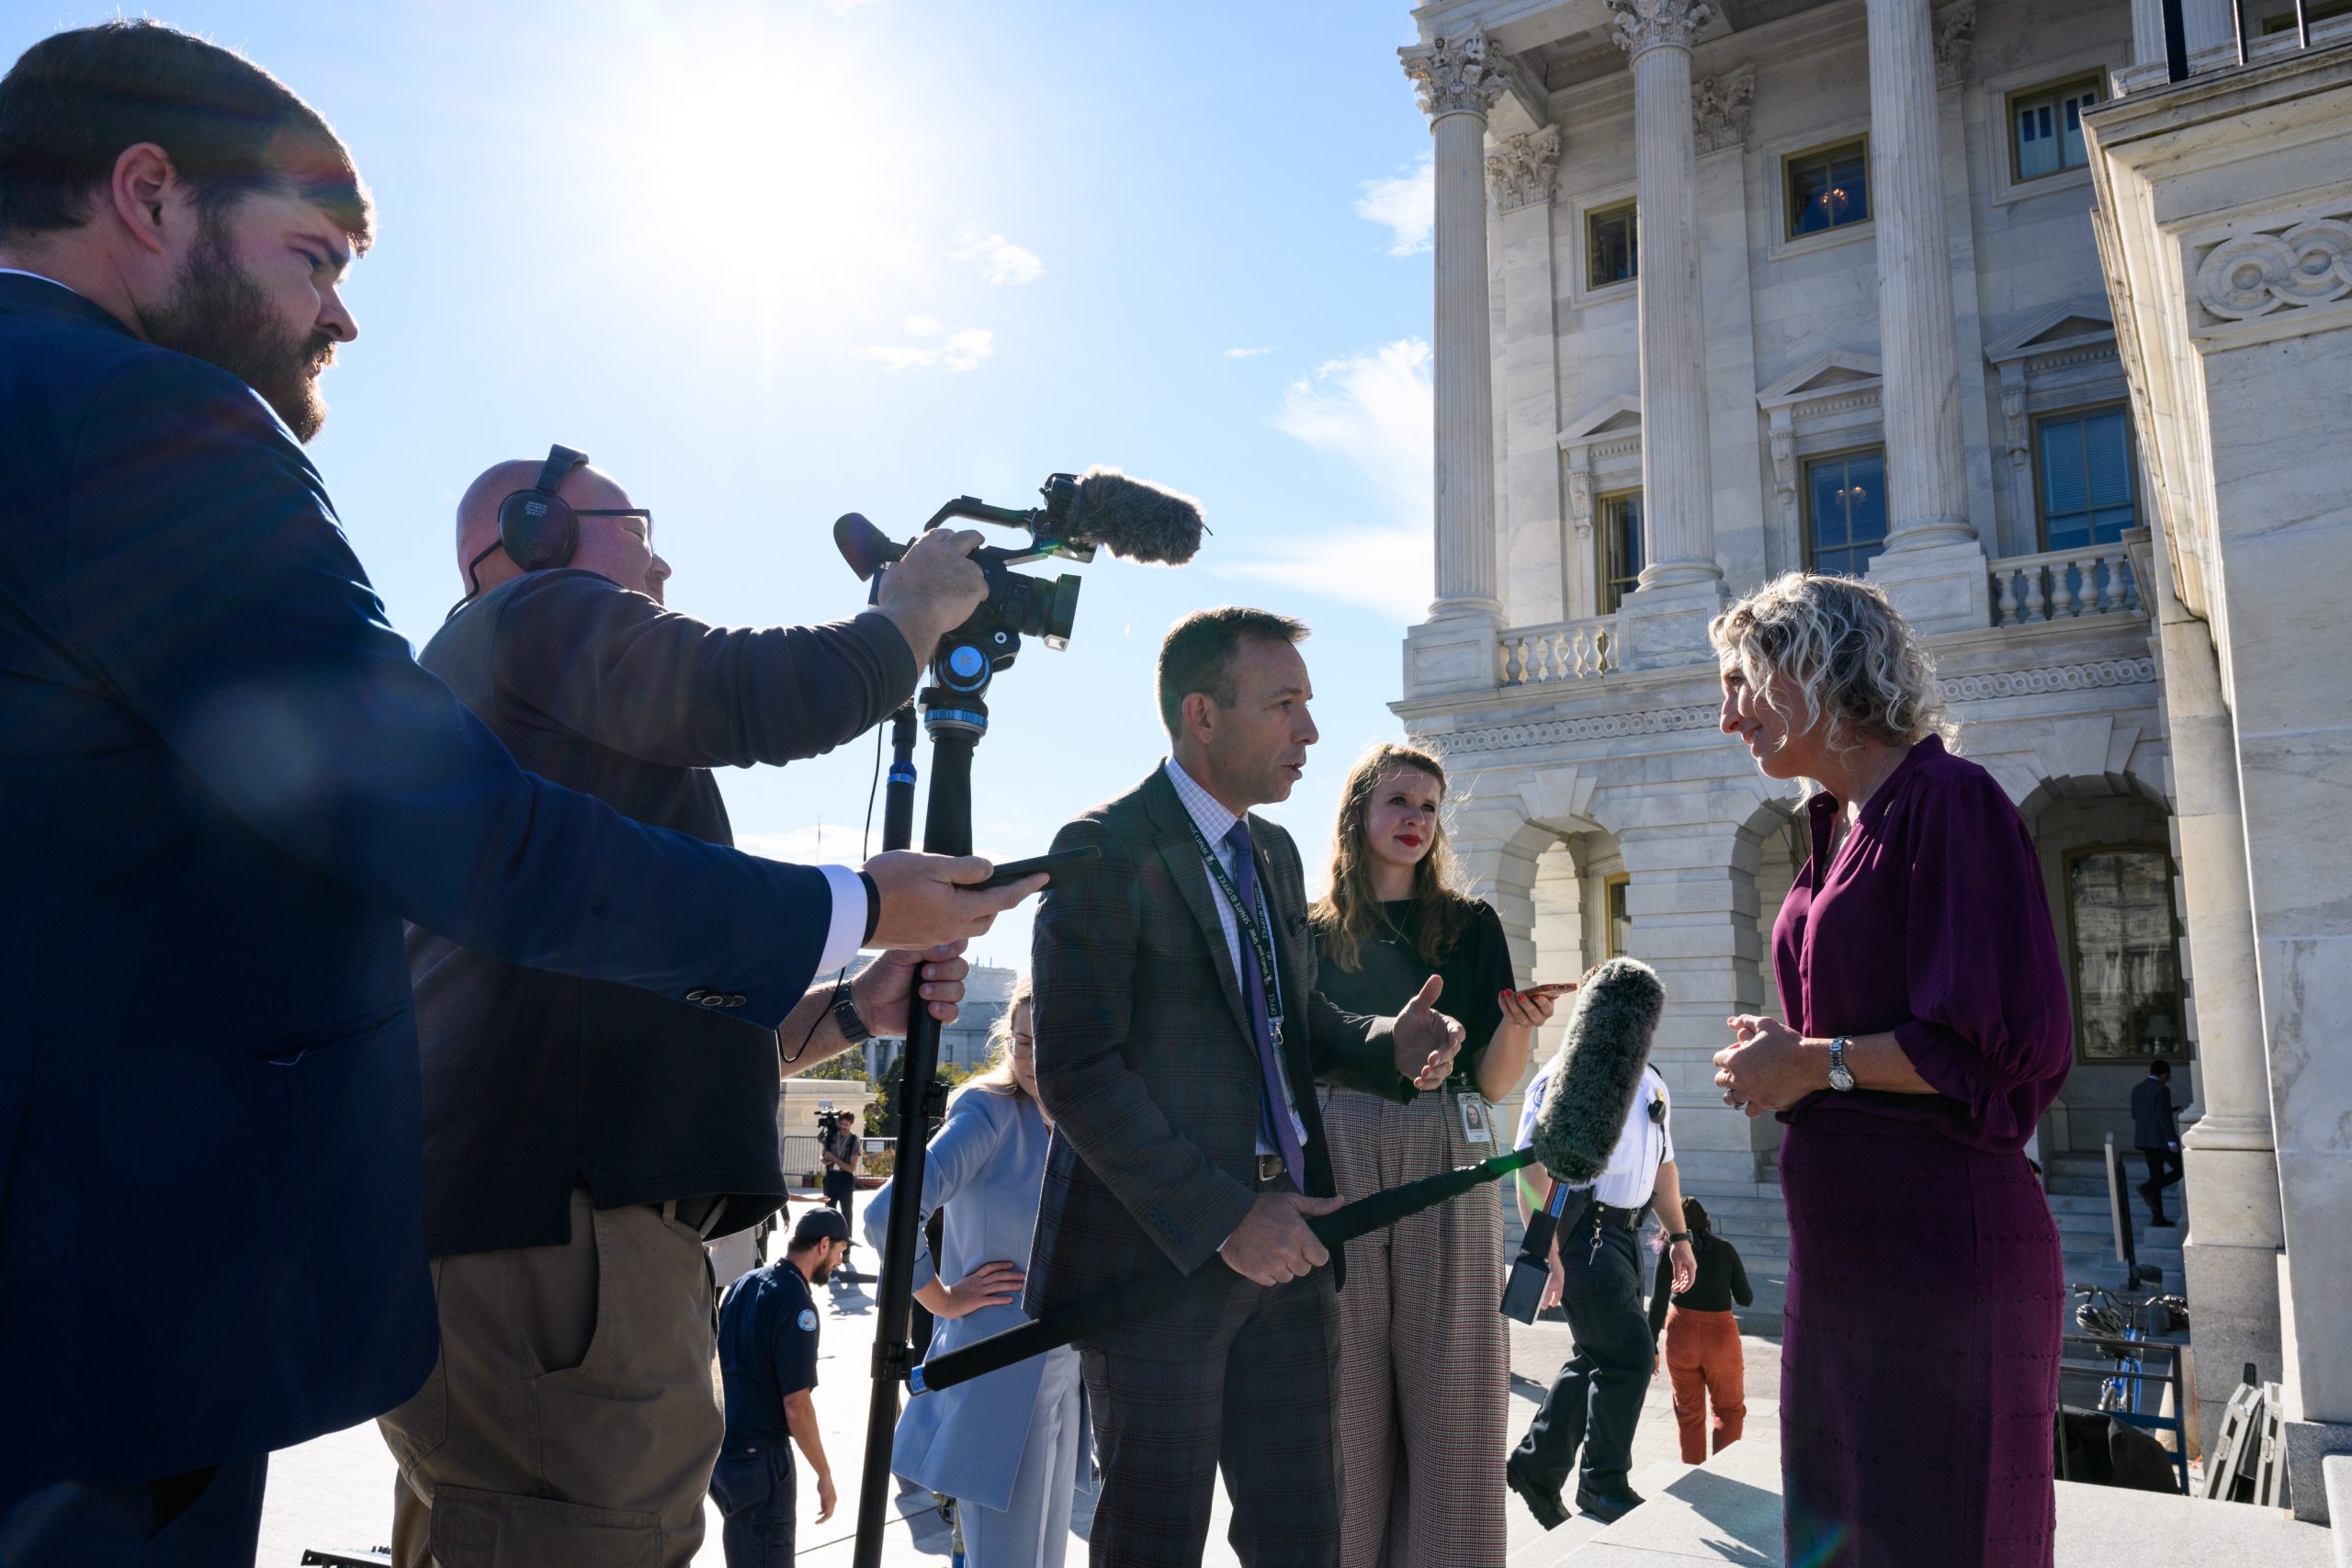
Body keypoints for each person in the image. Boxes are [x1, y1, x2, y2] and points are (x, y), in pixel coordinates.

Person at [0, 22, 1033, 1560]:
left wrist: (833, 994)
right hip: (98, 1309)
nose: (340, 312)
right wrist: (898, 676)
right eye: (313, 254)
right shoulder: (142, 417)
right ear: (148, 194)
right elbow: (477, 838)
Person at [376, 454, 992, 1564]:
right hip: (561, 1251)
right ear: (536, 532)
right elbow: (752, 690)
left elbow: (637, 1017)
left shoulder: (510, 710)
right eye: (640, 528)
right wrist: (909, 617)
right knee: (597, 1536)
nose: (663, 566)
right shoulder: (531, 611)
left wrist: (856, 1009)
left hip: (528, 1241)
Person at [1027, 607, 1468, 1568]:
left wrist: (1387, 1043)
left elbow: (1291, 1020)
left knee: (1304, 1540)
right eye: (1283, 704)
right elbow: (1076, 1071)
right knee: (1152, 1546)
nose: (1310, 730)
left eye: (1307, 703)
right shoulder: (1101, 847)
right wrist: (1227, 1215)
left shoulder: (1271, 851)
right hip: (1159, 1262)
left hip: (1294, 1252)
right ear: (1202, 714)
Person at [1708, 573, 2072, 1568]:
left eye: (1741, 683)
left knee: (1944, 1536)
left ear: (1814, 668)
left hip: (1940, 1251)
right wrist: (1786, 1052)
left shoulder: (1950, 801)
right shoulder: (1836, 823)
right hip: (1849, 1260)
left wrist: (1809, 1064)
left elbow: (1991, 1051)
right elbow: (1867, 1029)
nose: (1727, 714)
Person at [1308, 741, 1559, 1566]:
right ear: (1359, 813)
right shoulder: (1311, 929)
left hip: (1447, 1147)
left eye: (1428, 806)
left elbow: (1493, 1084)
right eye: (1398, 801)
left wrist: (1516, 1027)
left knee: (1456, 1394)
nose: (1415, 818)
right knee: (1344, 1397)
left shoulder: (1471, 923)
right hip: (1339, 1148)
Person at [865, 976, 1090, 1567]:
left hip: (1064, 1374)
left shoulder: (1077, 1121)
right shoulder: (989, 1112)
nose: (1032, 1058)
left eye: (1048, 1041)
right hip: (996, 1374)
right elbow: (887, 1213)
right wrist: (942, 1299)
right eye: (1022, 1042)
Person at [1505, 1034, 1695, 1529]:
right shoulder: (1566, 1075)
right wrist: (1544, 1248)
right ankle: (1602, 1485)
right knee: (1628, 1356)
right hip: (1583, 1233)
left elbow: (1664, 1167)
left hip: (1624, 1237)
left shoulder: (1651, 1081)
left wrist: (1679, 1236)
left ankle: (1535, 1466)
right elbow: (1532, 1165)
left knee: (1598, 1354)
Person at [711, 1208, 853, 1568]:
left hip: (724, 1452)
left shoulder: (745, 1283)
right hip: (762, 1460)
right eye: (840, 1252)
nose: (839, 1262)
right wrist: (824, 1474)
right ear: (823, 1245)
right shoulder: (797, 1304)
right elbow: (796, 1405)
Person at [1645, 1198, 1752, 1465]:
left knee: (1688, 1414)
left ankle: (1694, 1476)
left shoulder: (1670, 1251)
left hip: (1680, 1334)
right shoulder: (1725, 1250)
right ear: (1706, 1221)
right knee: (1728, 1410)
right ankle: (1724, 1474)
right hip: (1720, 1336)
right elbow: (1746, 1298)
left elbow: (1657, 1303)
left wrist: (1651, 1346)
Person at [2132, 1060, 2184, 1227]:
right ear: (2164, 1074)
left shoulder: (2137, 1089)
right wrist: (2171, 1142)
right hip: (2161, 1141)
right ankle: (2148, 1187)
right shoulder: (2162, 1089)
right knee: (2180, 1170)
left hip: (2145, 1139)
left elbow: (2136, 1114)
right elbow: (2164, 1118)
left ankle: (2158, 1217)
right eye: (2168, 1077)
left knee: (2156, 1175)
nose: (2167, 1080)